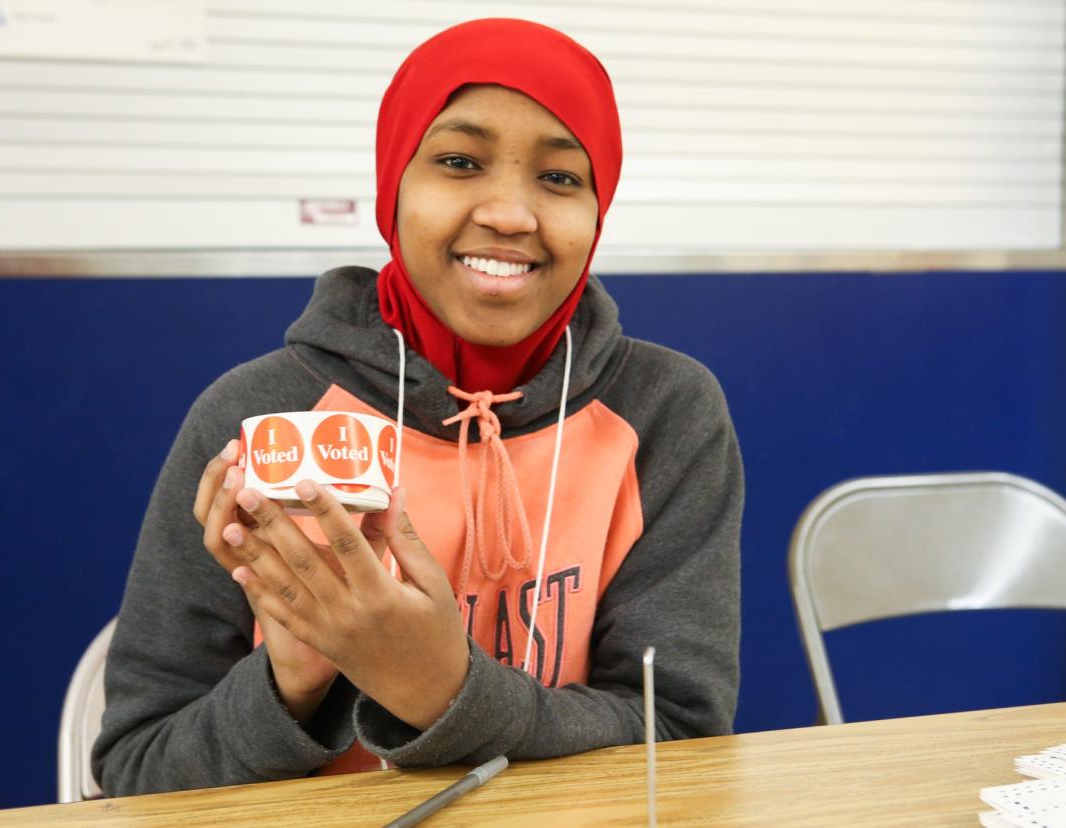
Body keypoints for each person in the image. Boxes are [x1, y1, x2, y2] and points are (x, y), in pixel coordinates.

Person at [92, 18, 743, 795]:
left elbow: (681, 739)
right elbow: (136, 772)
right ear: (392, 183)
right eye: (459, 162)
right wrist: (293, 678)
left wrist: (439, 688)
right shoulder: (259, 416)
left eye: (561, 178)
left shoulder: (666, 414)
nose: (510, 213)